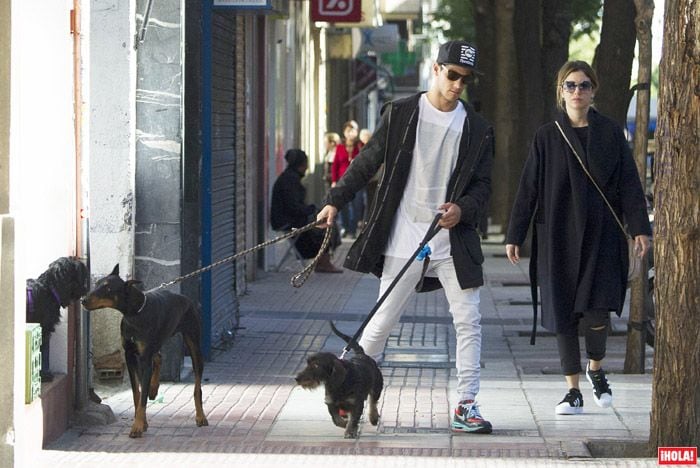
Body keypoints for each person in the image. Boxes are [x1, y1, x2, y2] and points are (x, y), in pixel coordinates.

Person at [317, 40, 494, 434]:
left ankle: (466, 405)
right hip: (403, 236)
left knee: (469, 321)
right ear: (436, 69)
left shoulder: (477, 128)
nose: (458, 84)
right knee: (380, 322)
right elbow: (367, 160)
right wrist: (334, 200)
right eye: (452, 75)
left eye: (466, 79)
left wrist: (462, 208)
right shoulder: (401, 113)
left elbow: (484, 186)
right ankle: (347, 389)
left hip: (454, 239)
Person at [505, 60, 651, 415]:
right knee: (565, 313)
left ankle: (595, 367)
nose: (577, 92)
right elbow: (528, 189)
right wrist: (515, 233)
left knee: (598, 309)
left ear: (594, 90)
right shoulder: (547, 135)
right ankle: (572, 390)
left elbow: (630, 183)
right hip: (558, 237)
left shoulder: (611, 133)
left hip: (602, 236)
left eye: (584, 85)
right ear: (561, 91)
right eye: (570, 85)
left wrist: (640, 228)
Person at [271, 149, 343, 273]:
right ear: (301, 164)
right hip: (287, 221)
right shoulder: (289, 180)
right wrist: (312, 210)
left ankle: (323, 261)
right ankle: (323, 263)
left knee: (324, 222)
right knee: (323, 227)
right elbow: (294, 207)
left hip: (290, 218)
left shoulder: (290, 177)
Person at [331, 120, 363, 238]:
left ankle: (352, 230)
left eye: (353, 130)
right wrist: (334, 181)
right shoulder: (340, 147)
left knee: (356, 205)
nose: (350, 133)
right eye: (348, 130)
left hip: (357, 181)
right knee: (343, 205)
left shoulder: (360, 146)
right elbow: (335, 165)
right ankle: (344, 227)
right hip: (342, 180)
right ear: (344, 132)